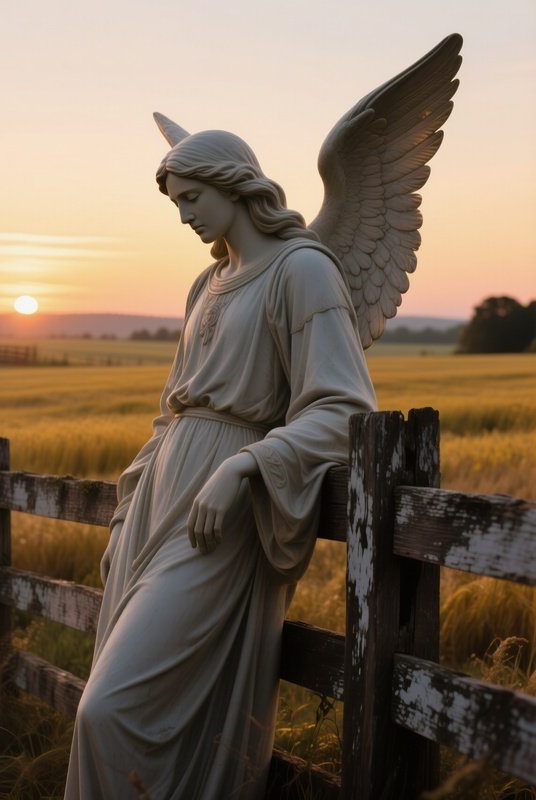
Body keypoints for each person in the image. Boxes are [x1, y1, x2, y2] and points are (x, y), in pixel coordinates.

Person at [64, 127, 377, 799]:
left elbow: (345, 408)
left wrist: (247, 467)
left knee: (108, 711)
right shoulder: (206, 283)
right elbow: (169, 412)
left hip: (220, 514)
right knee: (139, 708)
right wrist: (127, 512)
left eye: (192, 197)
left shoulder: (303, 268)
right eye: (177, 203)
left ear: (235, 182)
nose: (184, 216)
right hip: (160, 499)